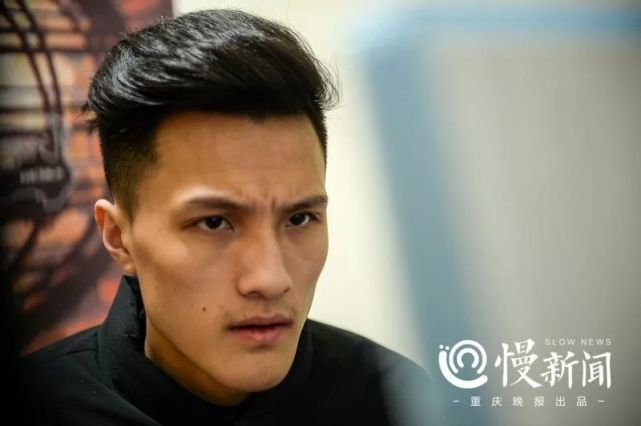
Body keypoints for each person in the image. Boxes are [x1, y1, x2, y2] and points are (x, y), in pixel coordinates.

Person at [19, 9, 430, 426]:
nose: (270, 279)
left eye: (300, 219)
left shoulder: (397, 401)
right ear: (118, 237)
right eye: (214, 222)